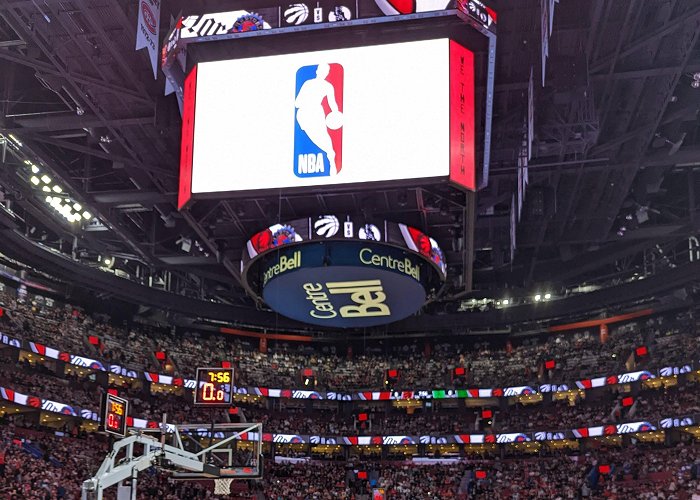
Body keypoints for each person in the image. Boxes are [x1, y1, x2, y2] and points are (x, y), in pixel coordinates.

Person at [295, 63, 342, 175]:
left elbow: (332, 103)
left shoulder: (328, 86)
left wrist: (335, 114)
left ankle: (331, 158)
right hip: (304, 114)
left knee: (324, 136)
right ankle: (330, 154)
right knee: (315, 137)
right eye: (322, 70)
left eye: (326, 71)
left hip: (317, 113)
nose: (323, 73)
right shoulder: (308, 83)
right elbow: (297, 102)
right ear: (317, 71)